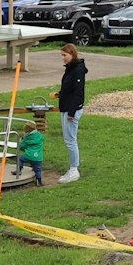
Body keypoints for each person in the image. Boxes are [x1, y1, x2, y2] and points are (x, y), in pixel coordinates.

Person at [55, 42, 87, 184]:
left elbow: (78, 93)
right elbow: (69, 87)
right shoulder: (70, 69)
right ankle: (72, 168)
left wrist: (72, 112)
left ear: (72, 55)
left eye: (64, 55)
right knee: (68, 140)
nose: (63, 58)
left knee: (70, 140)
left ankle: (74, 170)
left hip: (71, 110)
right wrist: (60, 94)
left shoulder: (77, 70)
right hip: (66, 107)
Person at [15, 114, 46, 186]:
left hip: (28, 156)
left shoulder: (27, 138)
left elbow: (22, 146)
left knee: (20, 159)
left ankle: (18, 170)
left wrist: (21, 142)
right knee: (38, 169)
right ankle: (39, 181)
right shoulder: (39, 136)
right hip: (38, 157)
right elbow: (42, 139)